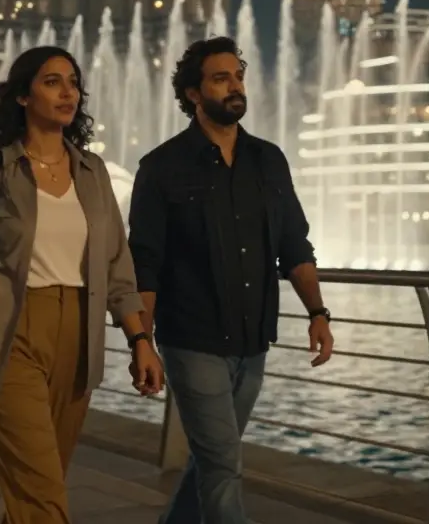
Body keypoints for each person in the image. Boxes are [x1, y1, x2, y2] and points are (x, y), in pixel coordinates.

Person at [0, 45, 165, 523]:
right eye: (52, 81)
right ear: (23, 97)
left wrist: (141, 340)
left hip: (80, 341)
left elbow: (117, 268)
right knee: (43, 498)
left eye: (73, 82)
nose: (67, 91)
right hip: (9, 338)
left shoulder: (93, 175)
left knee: (36, 491)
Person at [128, 36, 335, 524]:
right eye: (221, 78)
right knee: (225, 465)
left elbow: (294, 244)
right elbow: (145, 263)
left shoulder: (269, 160)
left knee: (213, 459)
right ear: (194, 94)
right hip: (193, 340)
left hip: (254, 340)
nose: (235, 87)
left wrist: (318, 313)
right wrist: (141, 341)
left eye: (238, 76)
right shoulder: (161, 168)